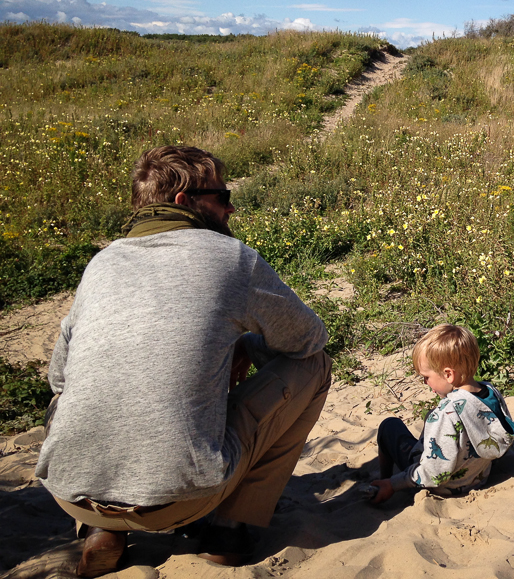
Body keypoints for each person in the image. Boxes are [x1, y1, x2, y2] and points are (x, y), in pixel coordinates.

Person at [34, 145, 332, 577]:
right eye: (222, 195)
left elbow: (57, 377)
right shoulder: (230, 258)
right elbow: (309, 338)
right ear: (183, 202)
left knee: (74, 392)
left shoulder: (101, 263)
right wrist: (246, 343)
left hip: (68, 491)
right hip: (181, 499)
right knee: (316, 366)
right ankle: (229, 528)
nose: (230, 206)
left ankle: (101, 528)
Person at [370, 324, 514, 504]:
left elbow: (435, 473)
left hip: (444, 486)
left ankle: (382, 483)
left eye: (426, 376)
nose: (425, 382)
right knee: (431, 418)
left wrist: (395, 483)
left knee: (389, 426)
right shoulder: (491, 392)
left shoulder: (447, 412)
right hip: (477, 478)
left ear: (448, 374)